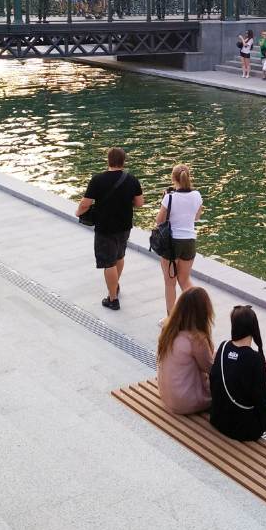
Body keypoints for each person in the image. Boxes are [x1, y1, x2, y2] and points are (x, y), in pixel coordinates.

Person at [209, 305, 266, 448]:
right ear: (253, 327)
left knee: (254, 400)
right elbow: (262, 400)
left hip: (218, 417)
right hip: (241, 429)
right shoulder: (254, 358)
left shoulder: (223, 346)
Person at [75, 147, 144, 311]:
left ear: (108, 160)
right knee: (119, 256)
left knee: (108, 262)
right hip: (125, 225)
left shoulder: (98, 180)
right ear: (123, 161)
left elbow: (85, 203)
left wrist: (78, 212)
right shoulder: (132, 179)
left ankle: (112, 299)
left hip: (105, 227)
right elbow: (140, 203)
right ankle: (115, 285)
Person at [157, 287, 215, 415]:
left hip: (166, 396)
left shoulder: (168, 330)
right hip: (186, 402)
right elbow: (211, 369)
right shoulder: (196, 339)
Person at [156, 163, 203, 315]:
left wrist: (165, 200)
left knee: (170, 283)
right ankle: (199, 310)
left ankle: (171, 319)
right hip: (189, 241)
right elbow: (196, 218)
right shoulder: (197, 195)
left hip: (172, 243)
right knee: (184, 279)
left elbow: (159, 221)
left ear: (173, 178)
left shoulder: (169, 198)